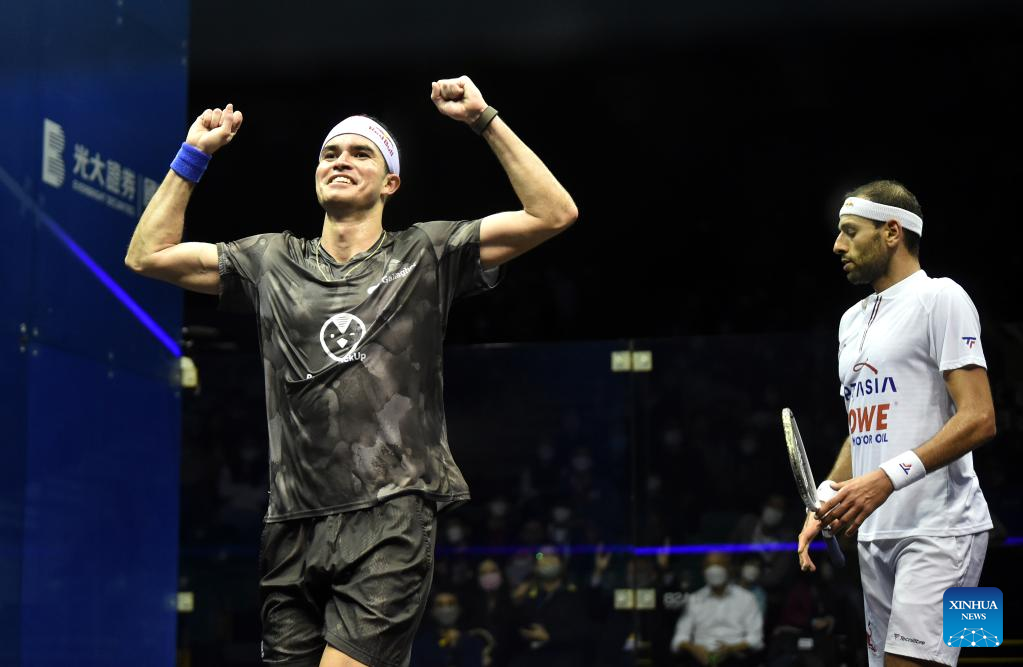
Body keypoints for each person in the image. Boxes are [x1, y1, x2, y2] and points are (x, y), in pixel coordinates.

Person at [124, 75, 577, 667]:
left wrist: (483, 118)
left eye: (361, 153)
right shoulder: (270, 260)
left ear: (391, 183)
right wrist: (193, 154)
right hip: (291, 523)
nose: (340, 160)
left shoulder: (426, 253)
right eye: (330, 153)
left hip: (391, 514)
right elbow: (147, 255)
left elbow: (553, 213)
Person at [797, 180, 995, 666]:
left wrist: (886, 478)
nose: (837, 245)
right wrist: (829, 493)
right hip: (875, 535)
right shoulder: (850, 321)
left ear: (892, 232)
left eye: (850, 231)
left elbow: (980, 417)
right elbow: (864, 426)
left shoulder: (942, 297)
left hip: (944, 532)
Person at [669, 552, 764, 666]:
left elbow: (756, 639)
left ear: (729, 568)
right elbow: (679, 638)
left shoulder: (747, 598)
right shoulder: (694, 599)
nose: (714, 570)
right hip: (701, 657)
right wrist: (694, 649)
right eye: (709, 565)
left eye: (719, 564)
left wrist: (731, 649)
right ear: (703, 571)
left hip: (735, 656)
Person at [411, 591, 487, 667]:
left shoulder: (472, 642)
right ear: (432, 611)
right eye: (440, 605)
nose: (446, 609)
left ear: (459, 609)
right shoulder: (420, 645)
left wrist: (458, 646)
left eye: (451, 603)